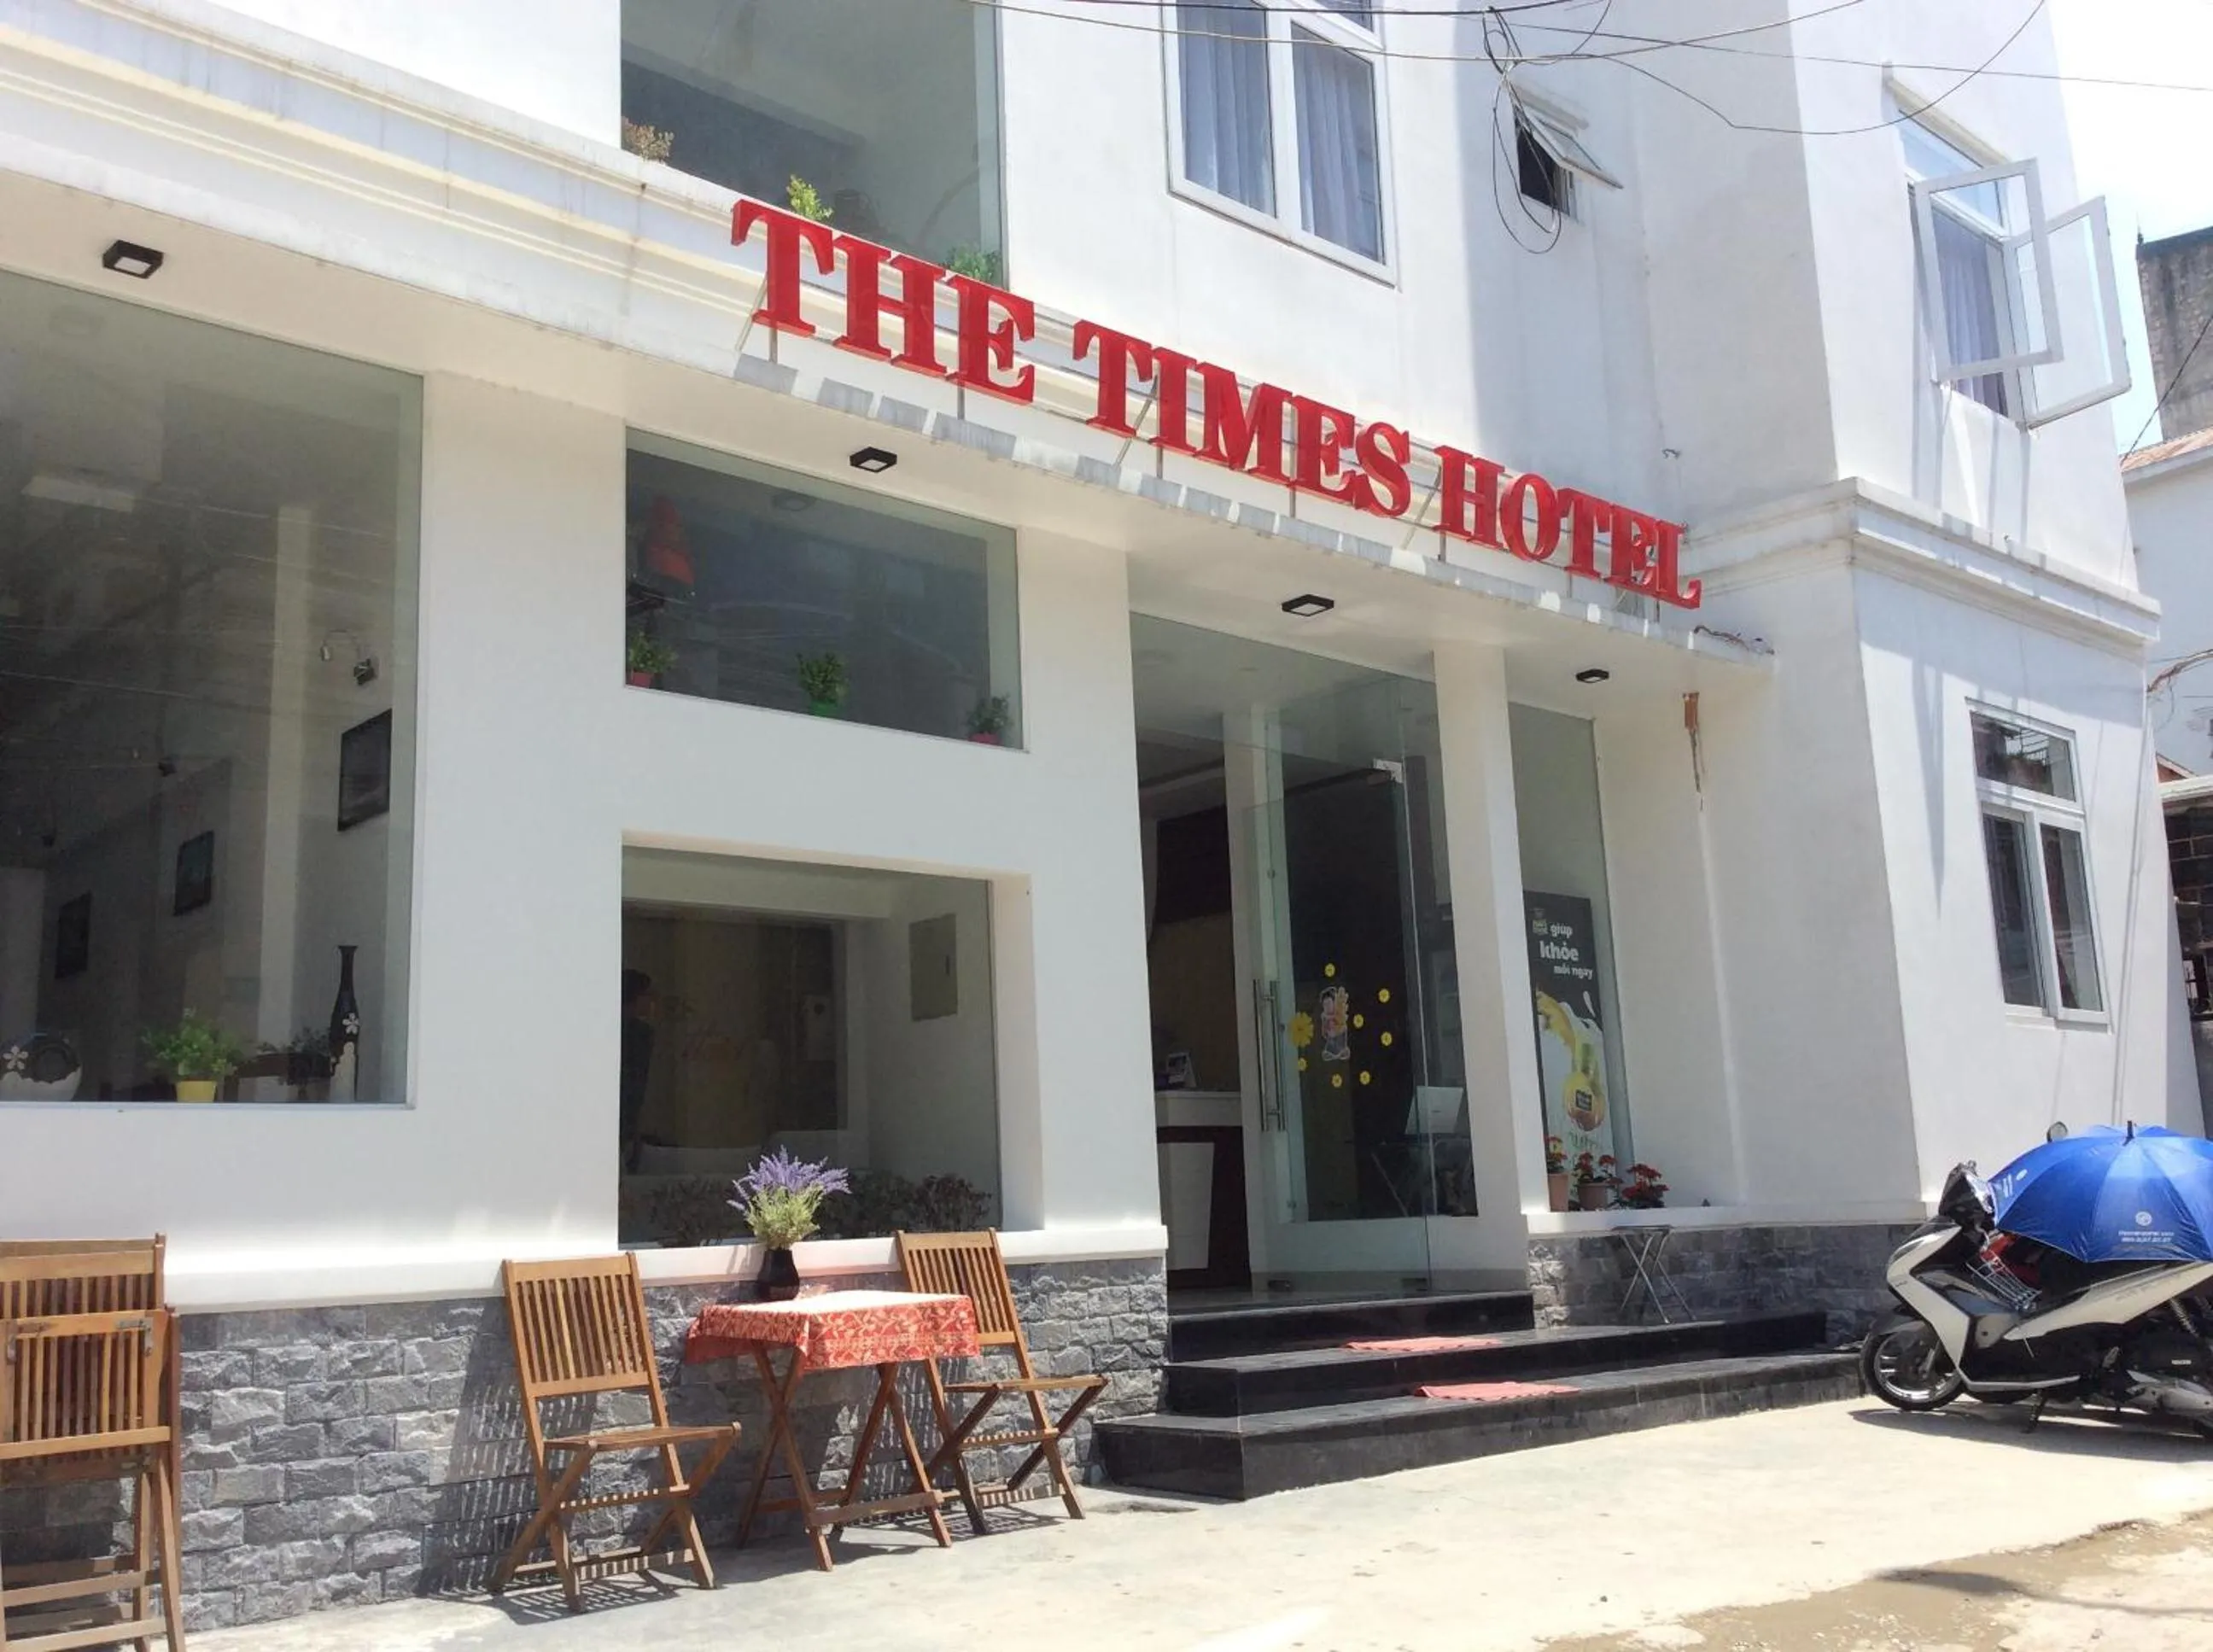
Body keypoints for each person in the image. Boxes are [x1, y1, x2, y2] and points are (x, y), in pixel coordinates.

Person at [619, 968, 655, 1172]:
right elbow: (634, 1087)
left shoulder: (641, 1033)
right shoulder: (639, 1035)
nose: (650, 1001)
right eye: (647, 995)